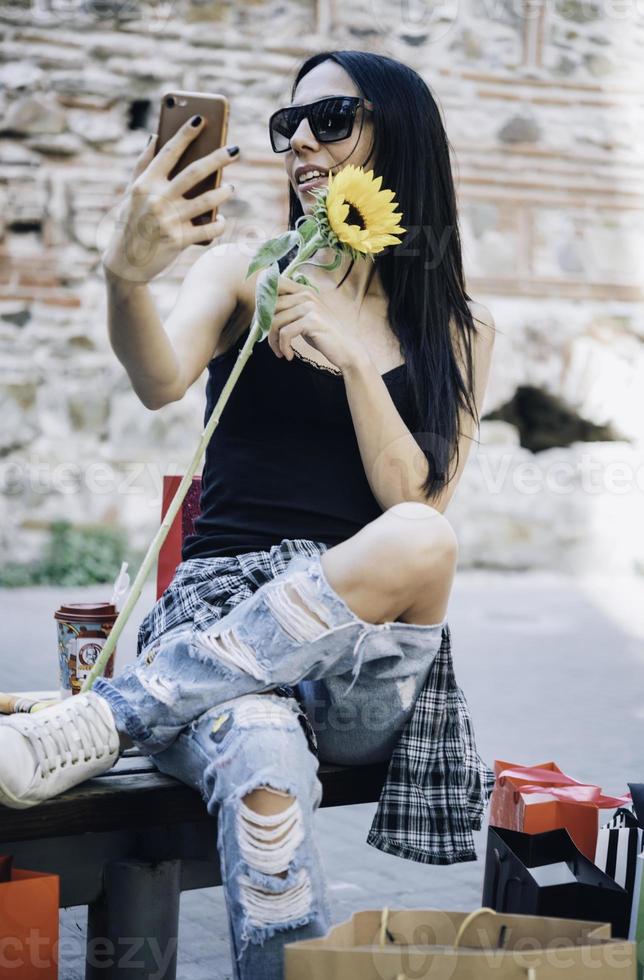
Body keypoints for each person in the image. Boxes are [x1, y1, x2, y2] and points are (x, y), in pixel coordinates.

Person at [0, 50, 496, 980]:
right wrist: (122, 278)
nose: (300, 141)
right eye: (287, 126)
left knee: (428, 534)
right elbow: (156, 381)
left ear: (400, 137)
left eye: (332, 119)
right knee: (264, 776)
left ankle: (112, 714)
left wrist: (353, 357)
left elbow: (411, 503)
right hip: (223, 619)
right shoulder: (242, 270)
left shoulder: (458, 330)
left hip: (357, 655)